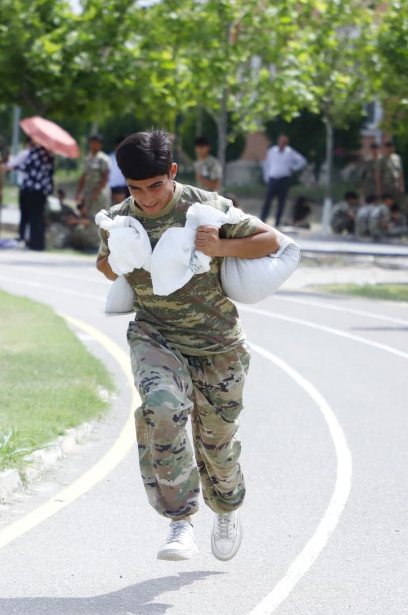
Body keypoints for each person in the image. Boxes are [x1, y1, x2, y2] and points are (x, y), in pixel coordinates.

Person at [95, 129, 280, 563]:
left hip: (219, 346)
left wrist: (221, 245)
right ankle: (180, 520)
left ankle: (227, 508)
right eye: (136, 188)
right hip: (155, 335)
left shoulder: (205, 206)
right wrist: (116, 259)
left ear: (172, 173)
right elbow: (106, 266)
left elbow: (270, 241)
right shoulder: (121, 217)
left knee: (217, 446)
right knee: (162, 409)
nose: (147, 199)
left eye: (155, 186)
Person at [260, 134, 306, 226]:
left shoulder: (290, 152)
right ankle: (263, 220)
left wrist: (293, 168)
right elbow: (267, 164)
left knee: (281, 202)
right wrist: (267, 177)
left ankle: (277, 222)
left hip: (283, 179)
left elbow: (302, 161)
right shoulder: (272, 151)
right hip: (273, 179)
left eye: (284, 142)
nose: (282, 144)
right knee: (268, 201)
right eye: (281, 142)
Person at [20, 141, 56, 251]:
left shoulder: (36, 152)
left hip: (32, 188)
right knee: (39, 216)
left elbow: (25, 166)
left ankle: (33, 242)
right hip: (43, 190)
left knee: (33, 216)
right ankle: (39, 243)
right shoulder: (50, 156)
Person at [108, 136, 129, 204]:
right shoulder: (109, 157)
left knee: (119, 206)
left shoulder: (128, 158)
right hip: (110, 185)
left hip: (122, 185)